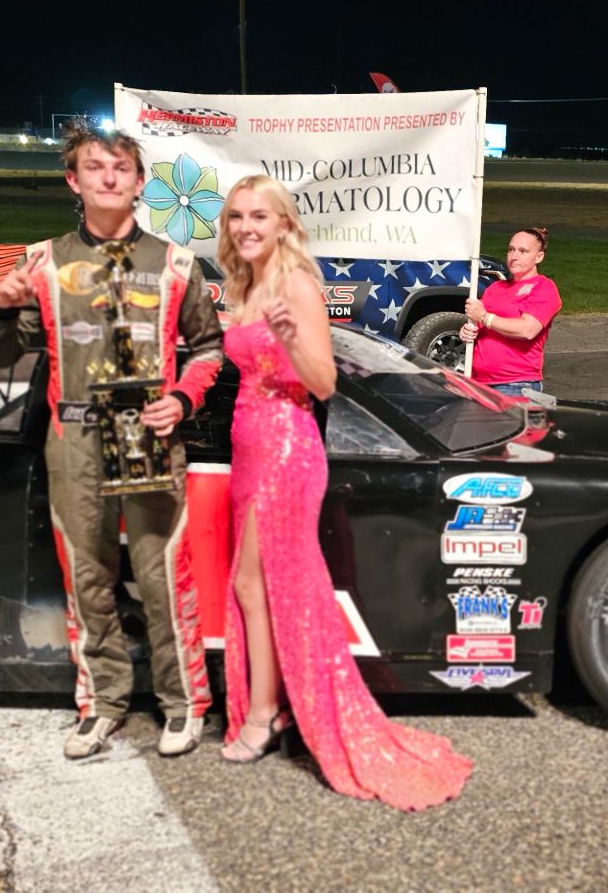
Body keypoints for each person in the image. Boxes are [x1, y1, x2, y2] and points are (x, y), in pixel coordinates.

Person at [216, 174, 472, 811]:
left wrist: (293, 333)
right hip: (247, 445)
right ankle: (268, 708)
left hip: (286, 447)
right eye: (237, 217)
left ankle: (265, 715)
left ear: (283, 224)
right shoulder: (244, 285)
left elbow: (324, 383)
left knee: (273, 585)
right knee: (250, 584)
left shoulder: (298, 285)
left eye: (259, 216)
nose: (246, 226)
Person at [0, 124, 224, 759]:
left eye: (122, 168)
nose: (110, 178)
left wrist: (184, 397)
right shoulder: (42, 260)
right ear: (74, 180)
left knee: (163, 575)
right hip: (75, 440)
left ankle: (183, 704)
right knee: (87, 576)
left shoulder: (176, 262)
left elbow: (209, 348)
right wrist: (1, 309)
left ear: (141, 183)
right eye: (96, 168)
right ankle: (102, 703)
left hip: (147, 436)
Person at [459, 227, 562, 397]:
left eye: (523, 251)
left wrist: (484, 317)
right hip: (478, 383)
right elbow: (481, 327)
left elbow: (527, 330)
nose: (514, 256)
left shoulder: (543, 288)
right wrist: (467, 332)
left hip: (517, 384)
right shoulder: (495, 287)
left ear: (539, 257)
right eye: (511, 250)